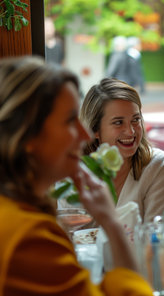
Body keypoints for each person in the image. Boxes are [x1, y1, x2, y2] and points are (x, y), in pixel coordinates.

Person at [0, 56, 152, 295]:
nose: (86, 134)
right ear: (28, 135)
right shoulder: (28, 239)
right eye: (71, 121)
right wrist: (111, 222)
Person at [81, 78, 164, 223]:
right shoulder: (74, 170)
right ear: (95, 130)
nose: (131, 132)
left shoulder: (158, 165)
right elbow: (73, 235)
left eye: (135, 120)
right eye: (118, 122)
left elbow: (157, 235)